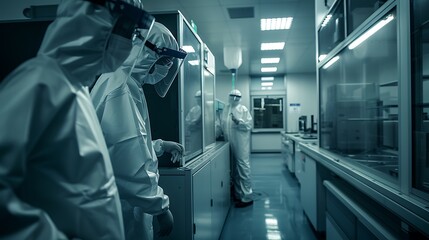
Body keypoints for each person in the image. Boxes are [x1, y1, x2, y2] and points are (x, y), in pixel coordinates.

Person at [0, 0, 154, 239]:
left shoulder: (76, 88)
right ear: (92, 18)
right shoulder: (39, 83)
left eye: (133, 34)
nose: (128, 43)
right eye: (125, 30)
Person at [90, 22, 187, 240]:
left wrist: (160, 146)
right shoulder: (123, 89)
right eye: (165, 61)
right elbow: (129, 164)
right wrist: (160, 207)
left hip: (119, 200)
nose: (166, 68)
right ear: (147, 53)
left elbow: (123, 146)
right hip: (121, 206)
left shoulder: (119, 80)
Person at [221, 89, 254, 208]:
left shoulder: (243, 109)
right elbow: (222, 125)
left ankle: (247, 197)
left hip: (240, 143)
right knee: (233, 168)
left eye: (236, 97)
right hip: (229, 143)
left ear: (239, 98)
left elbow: (249, 125)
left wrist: (238, 122)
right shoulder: (226, 109)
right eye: (232, 96)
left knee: (242, 167)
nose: (233, 98)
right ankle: (238, 194)